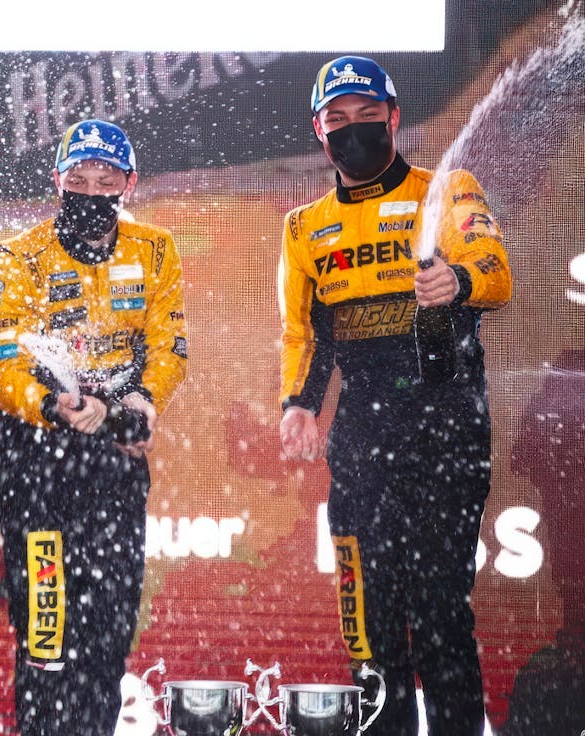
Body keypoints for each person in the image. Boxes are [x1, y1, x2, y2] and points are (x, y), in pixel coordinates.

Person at [277, 55, 512, 735]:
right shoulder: (303, 227)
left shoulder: (446, 189)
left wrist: (459, 283)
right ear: (319, 132)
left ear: (394, 117)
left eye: (367, 117)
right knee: (370, 618)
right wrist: (298, 402)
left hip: (446, 427)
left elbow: (494, 270)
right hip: (363, 440)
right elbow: (304, 331)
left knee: (439, 609)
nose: (353, 130)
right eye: (337, 121)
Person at [0, 119, 187, 734]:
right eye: (79, 179)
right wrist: (53, 406)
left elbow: (167, 344)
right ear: (57, 180)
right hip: (38, 456)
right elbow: (3, 363)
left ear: (129, 183)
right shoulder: (15, 256)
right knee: (47, 632)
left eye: (106, 180)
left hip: (116, 454)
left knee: (109, 626)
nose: (92, 190)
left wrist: (146, 402)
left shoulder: (154, 249)